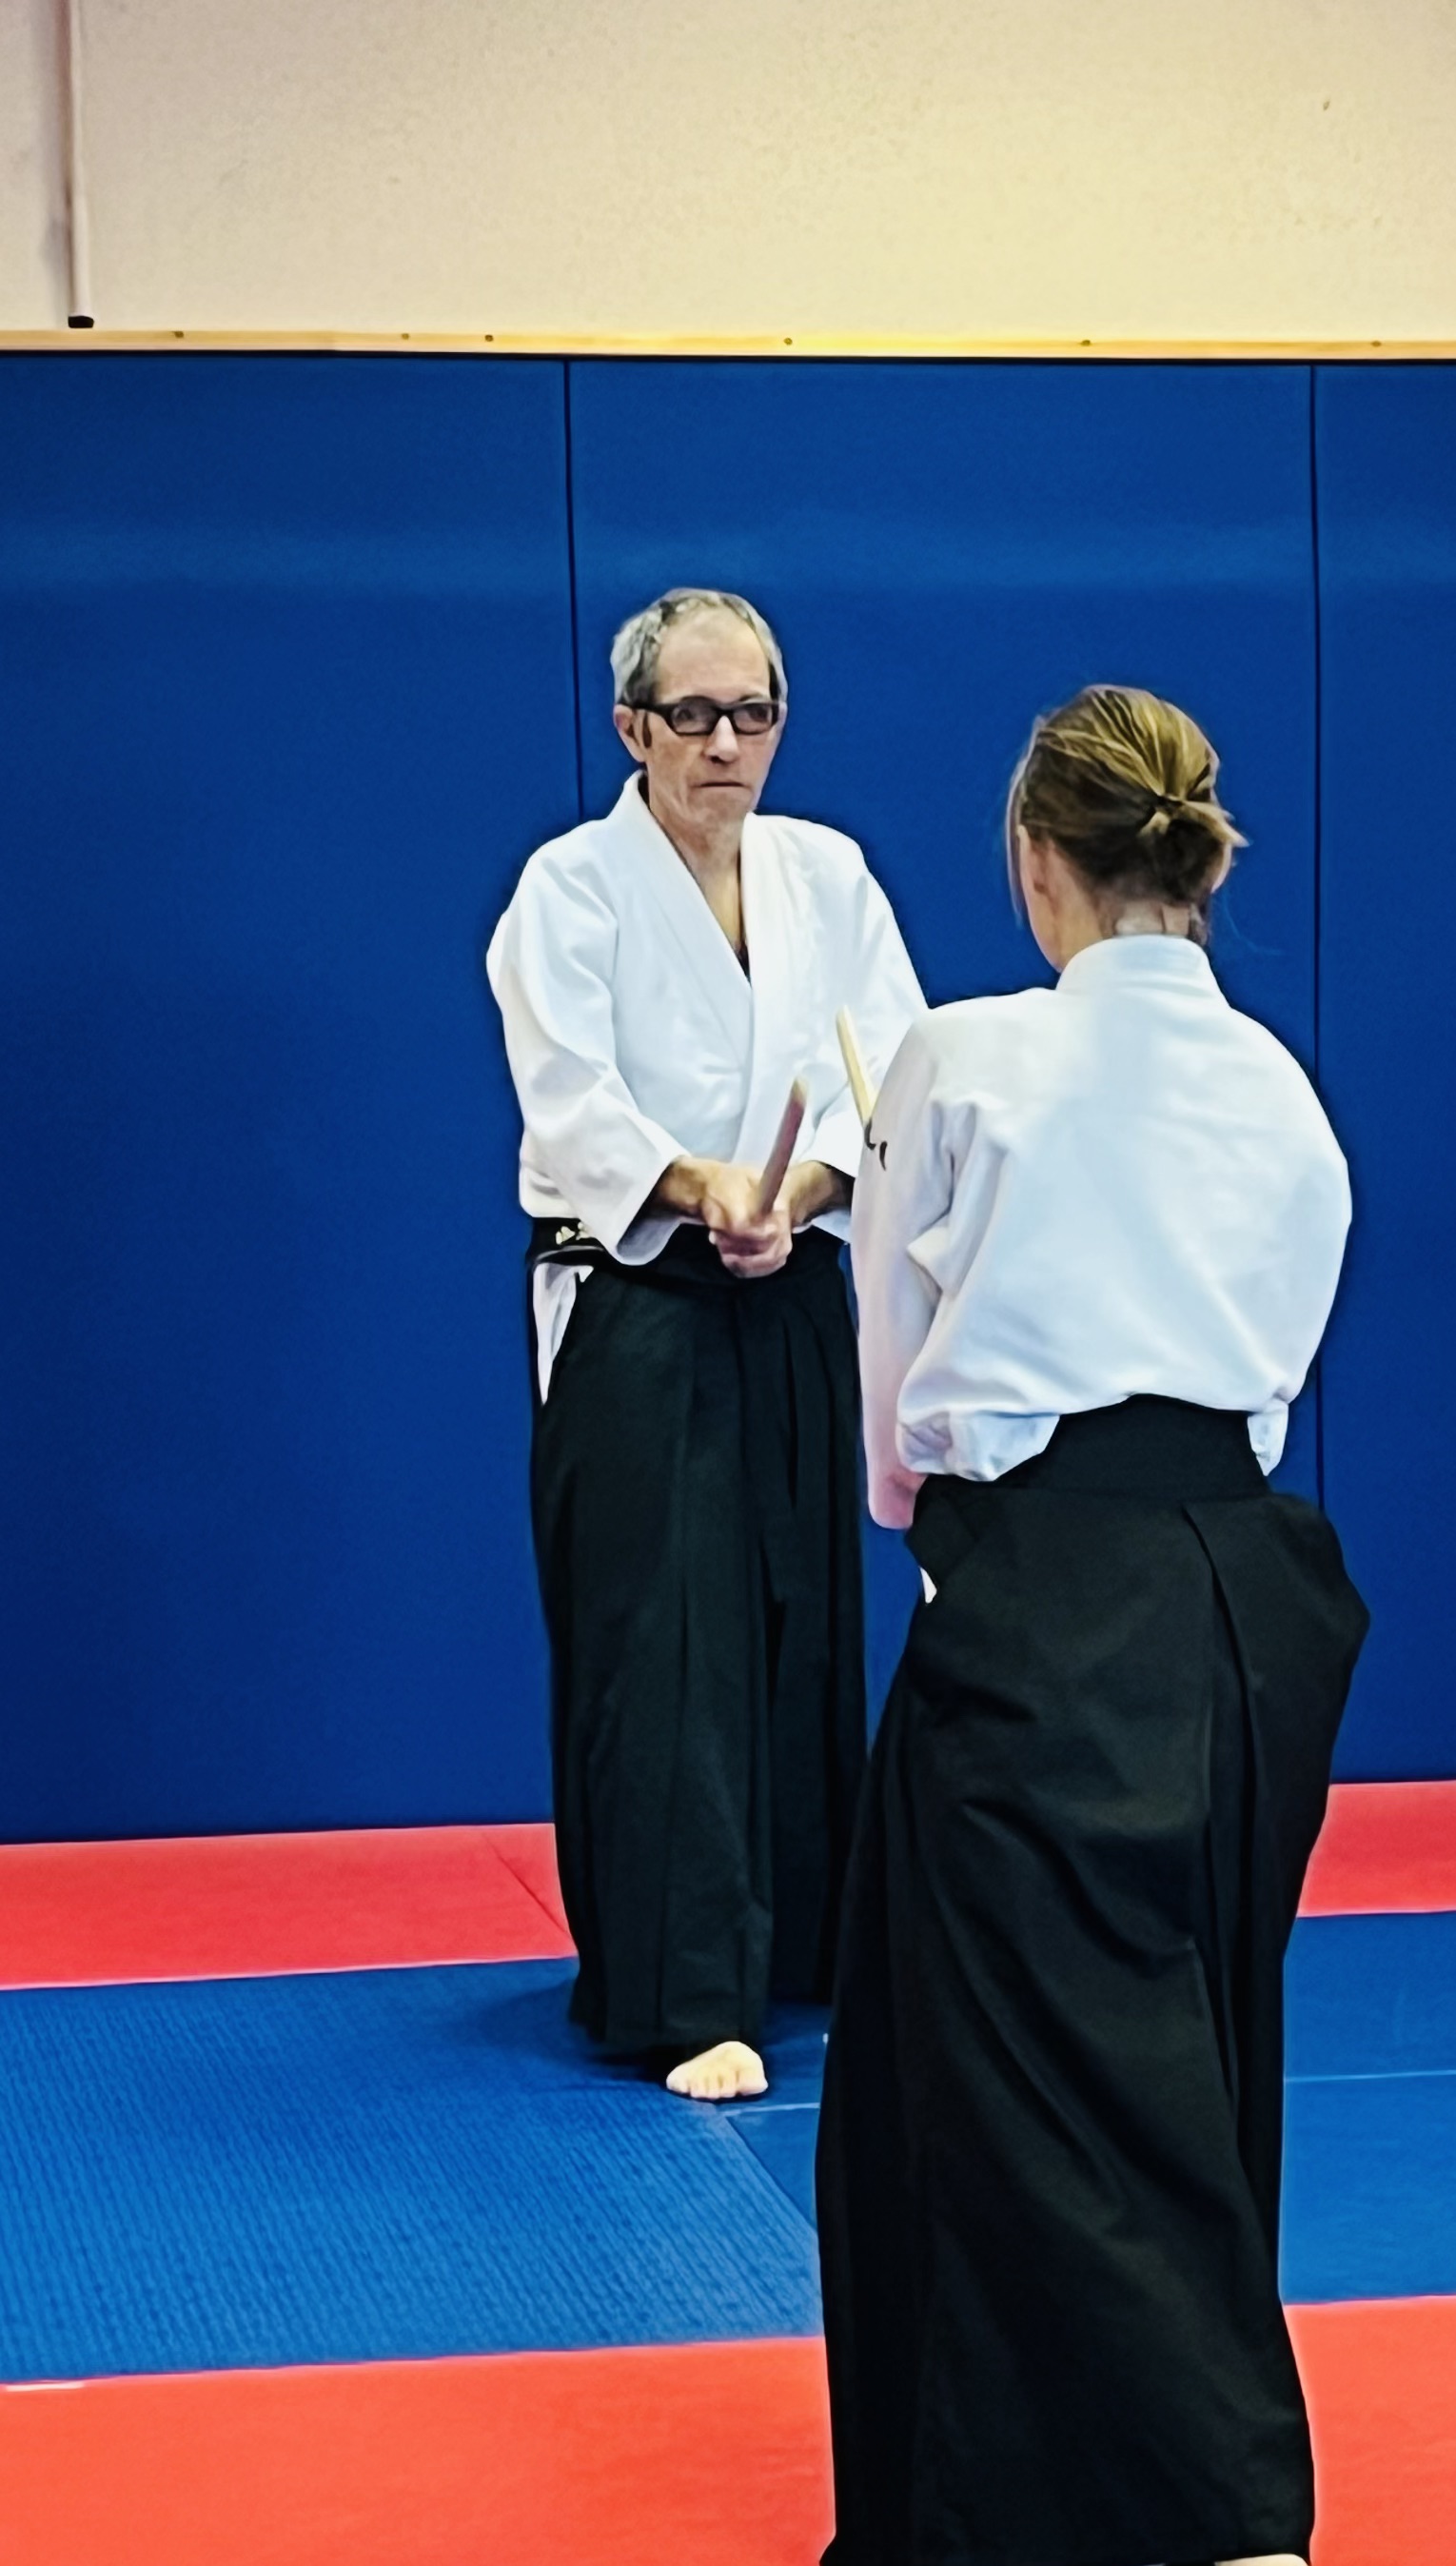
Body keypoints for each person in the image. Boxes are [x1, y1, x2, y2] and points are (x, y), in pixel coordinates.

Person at [817, 684, 1367, 2566]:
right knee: (1166, 2036)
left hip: (1049, 1582)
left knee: (1061, 2066)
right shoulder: (1280, 1088)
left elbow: (890, 1355)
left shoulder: (963, 1054)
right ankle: (1066, 2495)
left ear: (1032, 862)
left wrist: (937, 1528)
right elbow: (1278, 1353)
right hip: (1245, 1582)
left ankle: (1254, 2564)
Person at [486, 586, 923, 2102]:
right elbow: (571, 1101)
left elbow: (886, 1075)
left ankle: (798, 1947)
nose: (726, 743)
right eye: (693, 716)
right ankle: (681, 1991)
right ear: (633, 728)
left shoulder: (829, 874)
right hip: (636, 1294)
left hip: (788, 1272)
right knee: (664, 1633)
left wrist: (793, 1194)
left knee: (802, 1612)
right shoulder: (570, 889)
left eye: (753, 714)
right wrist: (699, 1188)